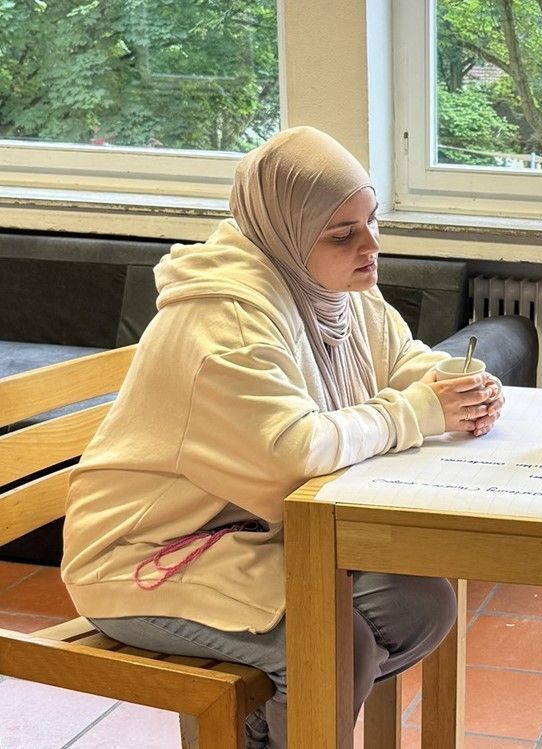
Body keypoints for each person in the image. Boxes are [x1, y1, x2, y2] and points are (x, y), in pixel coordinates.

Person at [61, 126, 505, 748]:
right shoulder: (225, 319)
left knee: (420, 603)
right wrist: (417, 413)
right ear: (284, 233)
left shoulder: (331, 287)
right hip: (143, 554)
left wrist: (458, 384)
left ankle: (271, 725)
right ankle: (288, 722)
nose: (371, 245)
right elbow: (293, 457)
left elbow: (400, 359)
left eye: (371, 219)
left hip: (251, 535)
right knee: (330, 643)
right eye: (343, 233)